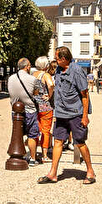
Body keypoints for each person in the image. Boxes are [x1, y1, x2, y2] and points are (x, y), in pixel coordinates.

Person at [39, 46, 96, 184]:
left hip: (75, 113)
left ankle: (90, 172)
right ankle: (52, 173)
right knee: (58, 141)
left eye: (57, 58)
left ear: (64, 59)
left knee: (80, 142)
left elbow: (84, 94)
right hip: (61, 113)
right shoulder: (58, 70)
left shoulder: (76, 71)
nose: (55, 60)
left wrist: (84, 116)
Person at [7, 58, 43, 163]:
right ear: (27, 66)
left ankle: (18, 152)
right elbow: (37, 93)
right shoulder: (33, 79)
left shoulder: (11, 78)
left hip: (15, 111)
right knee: (32, 135)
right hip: (30, 110)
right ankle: (32, 158)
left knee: (17, 134)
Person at [31, 59, 55, 164]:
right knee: (46, 131)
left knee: (35, 130)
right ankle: (44, 155)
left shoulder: (32, 74)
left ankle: (33, 153)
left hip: (33, 105)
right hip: (45, 106)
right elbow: (51, 85)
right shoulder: (45, 75)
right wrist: (49, 95)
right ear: (46, 65)